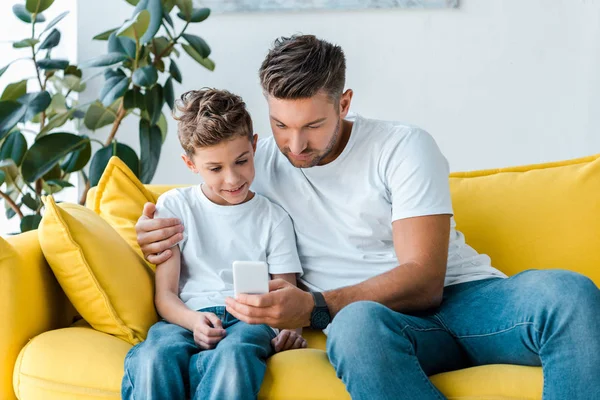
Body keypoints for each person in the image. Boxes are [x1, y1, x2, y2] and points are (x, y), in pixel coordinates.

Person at [134, 35, 600, 399]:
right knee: (355, 328)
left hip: (469, 300)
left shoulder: (401, 147)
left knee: (570, 294)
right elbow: (202, 201)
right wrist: (150, 229)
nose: (295, 146)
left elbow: (425, 280)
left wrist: (313, 306)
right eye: (281, 125)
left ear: (344, 102)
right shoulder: (253, 165)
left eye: (313, 125)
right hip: (379, 326)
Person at [122, 89, 305, 400]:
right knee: (154, 357)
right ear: (191, 164)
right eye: (215, 169)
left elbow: (287, 295)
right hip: (185, 316)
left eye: (242, 161)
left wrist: (292, 330)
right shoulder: (175, 207)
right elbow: (165, 295)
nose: (232, 179)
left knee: (235, 357)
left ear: (254, 145)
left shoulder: (273, 218)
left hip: (249, 322)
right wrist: (193, 320)